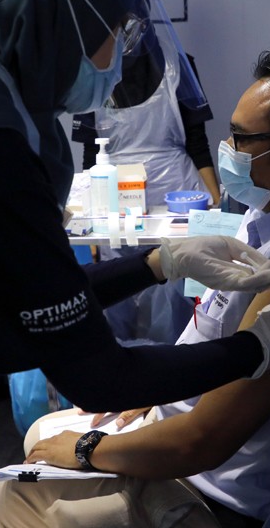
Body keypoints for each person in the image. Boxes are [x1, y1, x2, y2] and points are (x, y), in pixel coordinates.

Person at [0, 47, 270, 528]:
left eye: (241, 139)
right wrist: (160, 271)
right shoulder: (265, 220)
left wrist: (88, 448)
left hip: (209, 493)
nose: (226, 149)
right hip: (182, 451)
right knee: (42, 433)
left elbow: (202, 440)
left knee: (16, 488)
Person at [71, 31, 218, 345]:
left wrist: (217, 208)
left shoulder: (178, 65)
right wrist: (88, 219)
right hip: (112, 196)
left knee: (177, 287)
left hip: (178, 194)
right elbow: (89, 156)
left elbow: (198, 144)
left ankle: (181, 373)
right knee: (118, 291)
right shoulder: (91, 71)